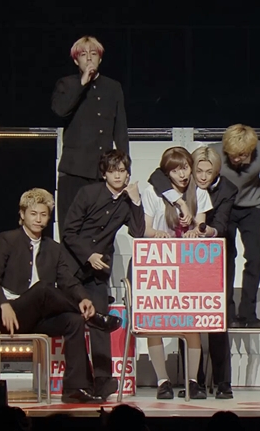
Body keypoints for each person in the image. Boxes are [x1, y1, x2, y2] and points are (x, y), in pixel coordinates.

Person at [0, 188, 122, 403]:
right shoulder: (7, 240)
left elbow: (68, 280)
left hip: (41, 317)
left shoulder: (54, 248)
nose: (38, 219)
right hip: (12, 314)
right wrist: (3, 304)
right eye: (33, 214)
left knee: (74, 320)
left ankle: (75, 389)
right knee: (44, 288)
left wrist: (84, 298)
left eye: (43, 214)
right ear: (22, 214)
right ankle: (94, 318)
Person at [151, 125, 260, 328]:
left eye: (241, 155)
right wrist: (180, 201)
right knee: (226, 257)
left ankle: (248, 314)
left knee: (255, 257)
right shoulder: (207, 153)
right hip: (221, 206)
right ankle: (227, 314)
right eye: (232, 155)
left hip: (249, 207)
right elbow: (160, 174)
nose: (236, 159)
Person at [148, 146, 237, 399]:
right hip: (165, 264)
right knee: (161, 322)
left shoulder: (211, 193)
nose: (199, 176)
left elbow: (211, 225)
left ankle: (209, 382)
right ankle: (171, 381)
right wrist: (177, 208)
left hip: (198, 262)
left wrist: (199, 230)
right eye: (197, 170)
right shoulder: (158, 188)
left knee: (199, 322)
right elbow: (145, 226)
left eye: (207, 171)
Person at [61, 150, 145, 400]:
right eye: (112, 171)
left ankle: (103, 381)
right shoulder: (88, 193)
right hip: (73, 267)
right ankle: (78, 384)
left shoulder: (128, 201)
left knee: (100, 322)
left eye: (122, 171)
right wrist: (89, 255)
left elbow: (138, 232)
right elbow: (68, 232)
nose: (117, 176)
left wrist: (137, 201)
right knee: (76, 322)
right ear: (104, 173)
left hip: (98, 274)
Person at [141, 146, 213, 399]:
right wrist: (158, 234)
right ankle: (163, 381)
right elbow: (145, 228)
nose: (182, 174)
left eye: (185, 168)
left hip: (188, 266)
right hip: (158, 265)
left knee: (192, 323)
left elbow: (202, 225)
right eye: (175, 170)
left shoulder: (200, 192)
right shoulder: (153, 192)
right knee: (154, 324)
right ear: (167, 173)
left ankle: (192, 381)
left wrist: (195, 229)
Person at [51, 35, 129, 232]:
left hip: (101, 170)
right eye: (83, 55)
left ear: (100, 59)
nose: (88, 58)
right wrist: (82, 83)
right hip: (73, 170)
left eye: (93, 54)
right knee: (70, 227)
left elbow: (120, 129)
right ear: (76, 60)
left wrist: (124, 166)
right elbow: (60, 111)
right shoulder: (66, 84)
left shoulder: (113, 87)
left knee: (99, 228)